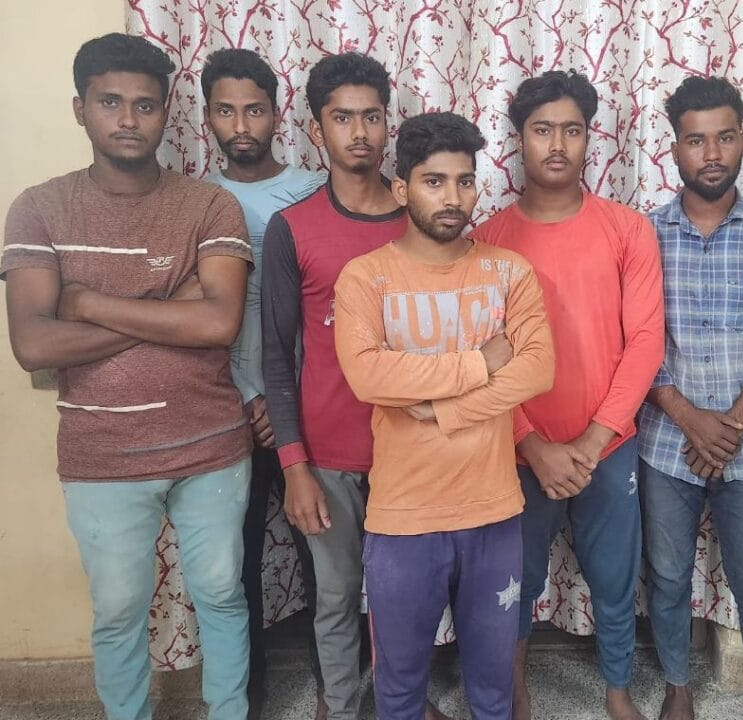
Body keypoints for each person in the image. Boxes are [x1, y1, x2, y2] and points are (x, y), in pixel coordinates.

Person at [2, 33, 253, 719]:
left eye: (145, 105)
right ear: (79, 109)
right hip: (101, 454)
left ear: (165, 112)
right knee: (117, 609)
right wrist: (167, 307)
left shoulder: (209, 206)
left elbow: (219, 323)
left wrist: (86, 303)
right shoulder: (38, 208)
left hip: (211, 445)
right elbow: (33, 344)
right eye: (110, 102)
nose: (128, 119)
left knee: (221, 593)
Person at [335, 110, 554, 720]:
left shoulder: (509, 272)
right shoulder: (366, 278)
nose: (453, 197)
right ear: (401, 188)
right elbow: (369, 376)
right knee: (399, 688)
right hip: (403, 518)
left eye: (464, 181)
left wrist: (439, 409)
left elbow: (537, 370)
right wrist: (479, 362)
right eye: (434, 182)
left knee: (493, 688)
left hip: (494, 512)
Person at [471, 70, 665, 720]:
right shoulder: (487, 241)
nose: (557, 145)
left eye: (572, 130)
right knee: (512, 583)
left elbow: (645, 341)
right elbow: (480, 360)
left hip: (607, 446)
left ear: (589, 139)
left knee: (615, 575)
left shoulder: (627, 230)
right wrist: (533, 443)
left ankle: (617, 690)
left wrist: (593, 439)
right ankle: (515, 690)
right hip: (517, 452)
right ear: (519, 139)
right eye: (542, 130)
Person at [260, 52, 447, 720]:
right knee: (336, 598)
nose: (360, 132)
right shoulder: (292, 228)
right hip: (329, 458)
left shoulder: (422, 215)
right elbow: (276, 357)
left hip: (414, 451)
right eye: (342, 118)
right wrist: (294, 466)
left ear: (388, 123)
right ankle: (340, 706)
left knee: (410, 597)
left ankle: (405, 702)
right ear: (317, 130)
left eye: (371, 116)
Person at [638, 76, 743, 720]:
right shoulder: (643, 234)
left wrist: (726, 427)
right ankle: (678, 686)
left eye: (724, 138)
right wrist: (689, 419)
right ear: (674, 148)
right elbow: (636, 341)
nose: (711, 154)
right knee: (668, 578)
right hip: (666, 446)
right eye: (696, 140)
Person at [200, 47, 326, 720]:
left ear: (277, 115)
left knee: (327, 556)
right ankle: (245, 696)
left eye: (253, 109)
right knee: (234, 562)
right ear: (207, 117)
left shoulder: (313, 190)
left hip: (308, 407)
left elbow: (326, 310)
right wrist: (250, 395)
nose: (241, 124)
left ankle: (337, 687)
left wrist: (288, 401)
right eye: (226, 110)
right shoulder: (197, 200)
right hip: (227, 409)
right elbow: (198, 314)